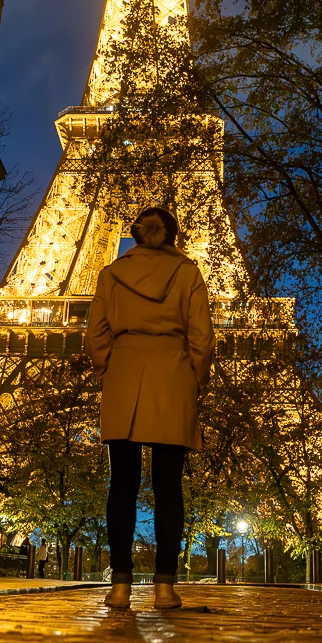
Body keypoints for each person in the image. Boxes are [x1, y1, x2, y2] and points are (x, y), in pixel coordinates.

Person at [85, 206, 214, 611]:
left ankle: (119, 585)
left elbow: (95, 336)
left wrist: (110, 364)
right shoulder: (189, 273)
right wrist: (194, 376)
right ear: (172, 236)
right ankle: (164, 587)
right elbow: (203, 338)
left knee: (121, 485)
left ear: (135, 236)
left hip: (124, 374)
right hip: (172, 376)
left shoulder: (110, 275)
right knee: (168, 488)